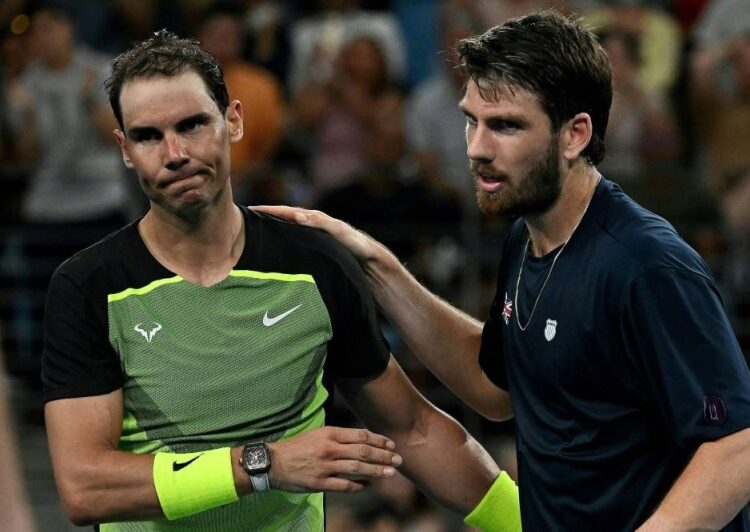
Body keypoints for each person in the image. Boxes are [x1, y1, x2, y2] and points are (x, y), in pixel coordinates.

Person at [256, 10, 750, 531]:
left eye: (506, 126)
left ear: (575, 134)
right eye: (472, 120)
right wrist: (376, 265)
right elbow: (495, 388)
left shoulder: (646, 264)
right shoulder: (528, 235)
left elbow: (736, 445)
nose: (476, 149)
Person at [41, 30, 521, 531]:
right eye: (148, 136)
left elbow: (413, 427)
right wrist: (264, 464)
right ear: (123, 148)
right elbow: (85, 487)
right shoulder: (87, 287)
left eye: (193, 124)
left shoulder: (314, 264)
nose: (175, 152)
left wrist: (532, 522)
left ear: (233, 121)